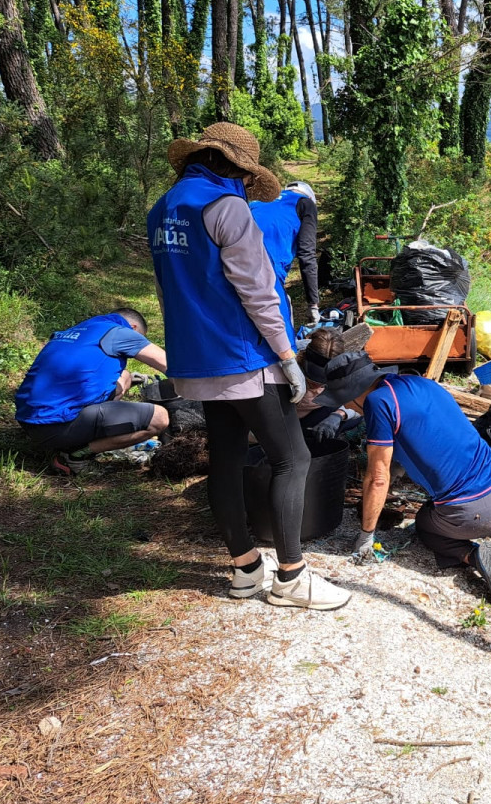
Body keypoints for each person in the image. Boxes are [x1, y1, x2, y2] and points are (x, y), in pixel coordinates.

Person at [148, 122, 349, 611]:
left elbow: (169, 289)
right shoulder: (227, 207)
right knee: (292, 458)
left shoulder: (163, 209)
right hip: (245, 358)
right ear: (235, 169)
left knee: (228, 459)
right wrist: (287, 356)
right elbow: (258, 292)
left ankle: (244, 570)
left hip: (197, 359)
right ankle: (292, 578)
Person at [312, 350, 491, 606]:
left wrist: (365, 536)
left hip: (473, 508)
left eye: (345, 401)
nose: (347, 407)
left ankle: (474, 555)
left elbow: (377, 478)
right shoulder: (423, 383)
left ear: (355, 392)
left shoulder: (377, 402)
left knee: (426, 525)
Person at [14, 308, 169, 474]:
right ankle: (75, 457)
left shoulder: (81, 330)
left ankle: (84, 438)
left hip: (29, 423)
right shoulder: (121, 332)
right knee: (159, 418)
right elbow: (172, 365)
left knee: (125, 376)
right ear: (134, 328)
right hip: (57, 426)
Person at [250, 180, 322, 325]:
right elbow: (307, 254)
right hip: (268, 272)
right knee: (282, 329)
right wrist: (313, 304)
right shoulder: (305, 204)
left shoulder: (256, 203)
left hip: (232, 267)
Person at [294, 328, 362, 442]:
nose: (317, 386)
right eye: (313, 380)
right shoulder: (287, 360)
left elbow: (360, 400)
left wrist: (339, 415)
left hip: (319, 413)